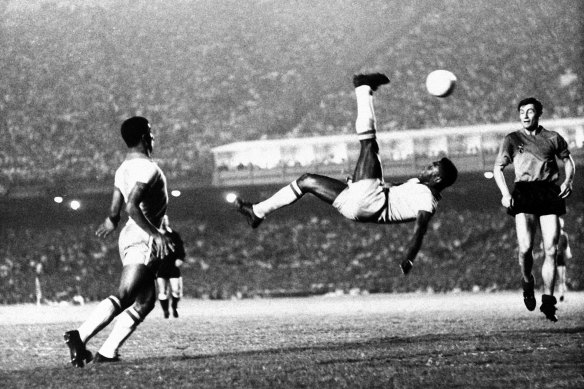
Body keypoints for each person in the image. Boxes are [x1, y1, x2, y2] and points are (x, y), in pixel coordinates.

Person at [234, 73, 458, 275]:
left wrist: (409, 257)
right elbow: (394, 192)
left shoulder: (427, 199)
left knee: (369, 145)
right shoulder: (417, 187)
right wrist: (358, 183)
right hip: (357, 205)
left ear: (437, 178)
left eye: (433, 166)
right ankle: (257, 211)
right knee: (306, 181)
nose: (428, 166)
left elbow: (420, 230)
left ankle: (363, 88)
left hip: (371, 202)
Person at [64, 116, 174, 367]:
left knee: (145, 302)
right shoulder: (148, 168)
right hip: (143, 237)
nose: (154, 137)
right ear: (146, 137)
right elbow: (131, 206)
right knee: (126, 295)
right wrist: (156, 234)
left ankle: (107, 353)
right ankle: (78, 337)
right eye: (152, 133)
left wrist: (110, 222)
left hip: (129, 235)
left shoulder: (122, 169)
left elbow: (115, 212)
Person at [493, 97, 575, 322]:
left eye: (530, 111)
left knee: (551, 249)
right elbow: (498, 168)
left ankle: (548, 301)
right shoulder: (512, 139)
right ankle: (527, 281)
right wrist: (505, 194)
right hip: (524, 191)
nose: (525, 115)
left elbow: (568, 160)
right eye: (521, 111)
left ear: (539, 114)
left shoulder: (552, 138)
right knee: (526, 248)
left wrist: (567, 181)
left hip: (548, 191)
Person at [156, 215, 186, 319]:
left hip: (173, 265)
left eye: (165, 220)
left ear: (168, 221)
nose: (163, 222)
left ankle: (174, 307)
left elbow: (181, 249)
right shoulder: (155, 235)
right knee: (162, 291)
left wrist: (180, 258)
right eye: (162, 220)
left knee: (176, 290)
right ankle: (165, 311)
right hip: (160, 266)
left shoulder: (174, 235)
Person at [556, 217, 572, 302]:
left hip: (560, 258)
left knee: (562, 278)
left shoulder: (564, 236)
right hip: (552, 258)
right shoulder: (551, 234)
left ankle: (561, 295)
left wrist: (568, 255)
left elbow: (567, 247)